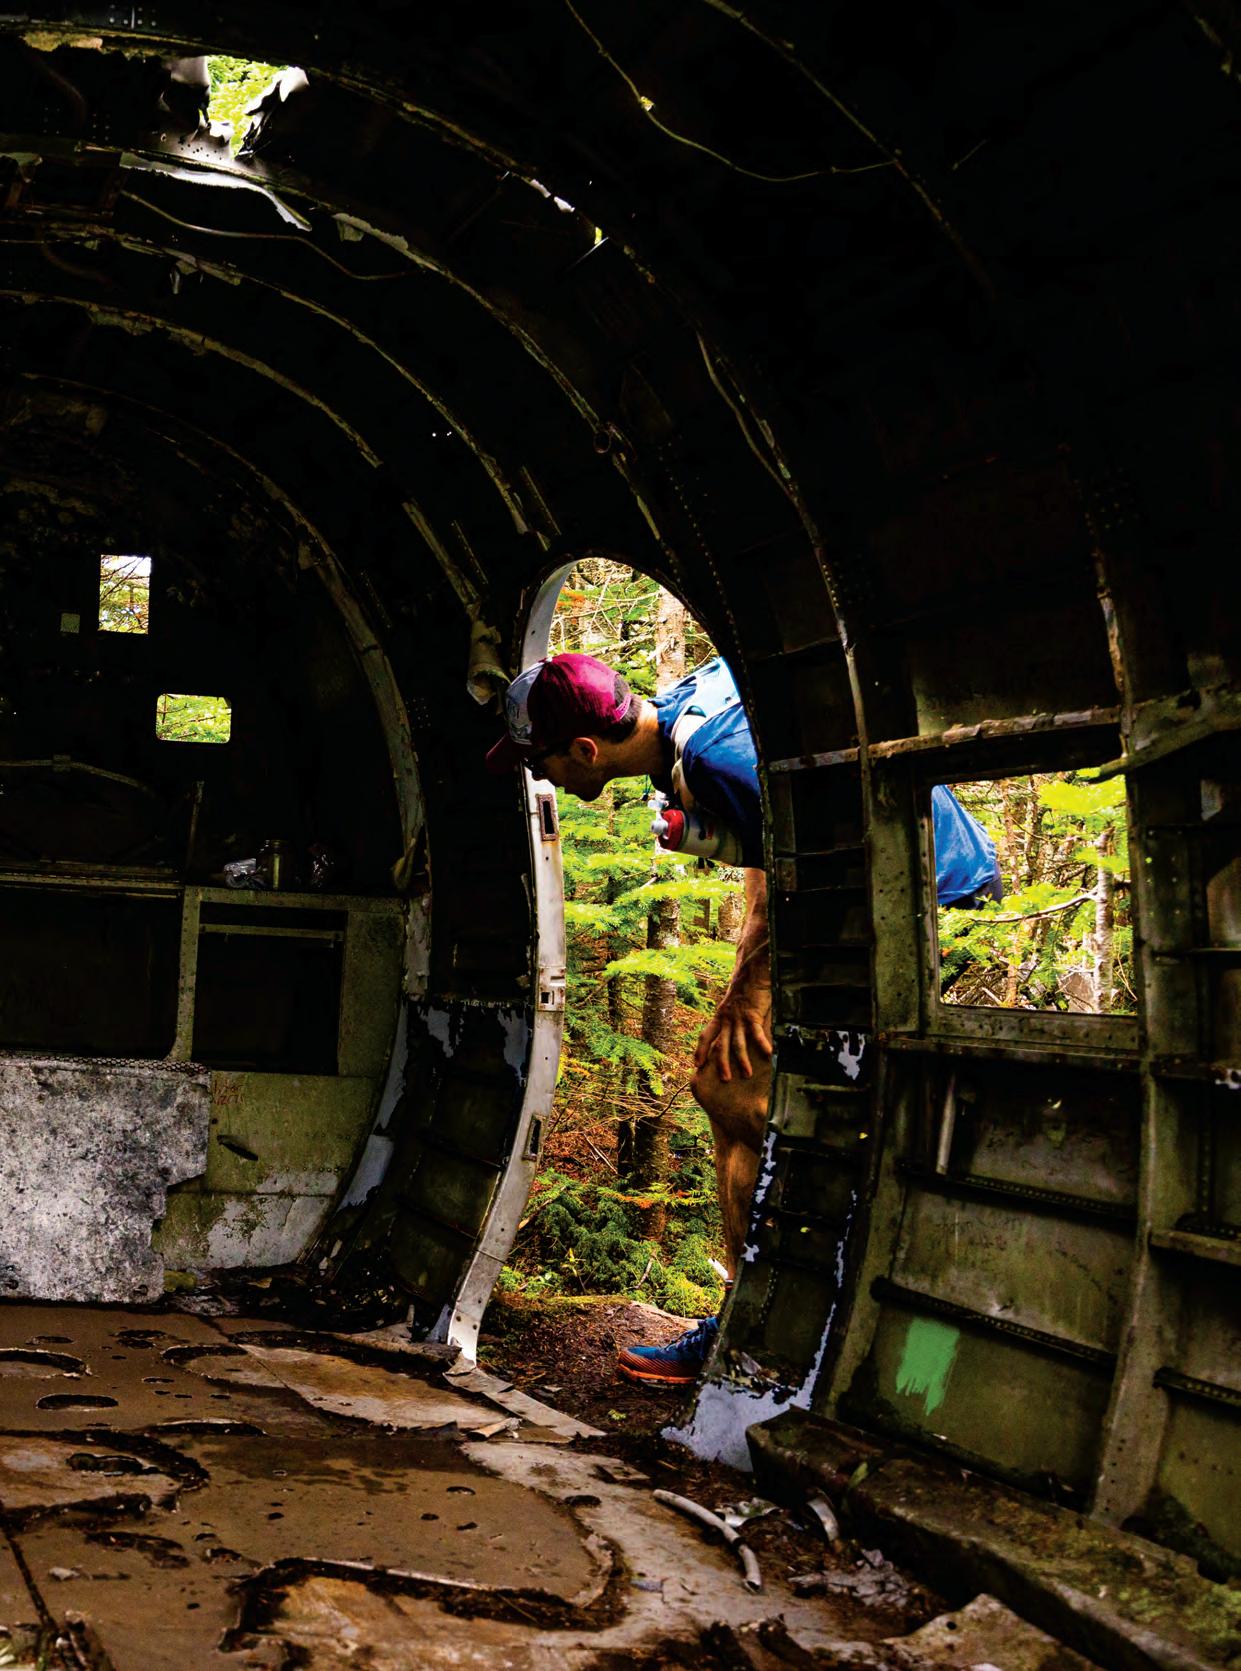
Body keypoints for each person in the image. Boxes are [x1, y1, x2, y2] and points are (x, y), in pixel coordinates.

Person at [486, 652, 1000, 1387]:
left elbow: (828, 866)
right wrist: (741, 980)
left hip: (925, 898)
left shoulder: (713, 757)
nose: (544, 778)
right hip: (898, 892)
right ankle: (768, 1312)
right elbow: (776, 840)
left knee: (737, 1090)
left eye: (541, 761)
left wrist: (756, 992)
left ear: (586, 750)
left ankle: (772, 1327)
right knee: (726, 1082)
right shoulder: (687, 717)